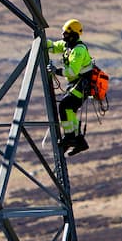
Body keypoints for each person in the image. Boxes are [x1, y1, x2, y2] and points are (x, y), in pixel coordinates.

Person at [48, 18, 93, 156]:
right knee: (70, 110)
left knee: (65, 106)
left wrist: (56, 71)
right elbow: (54, 46)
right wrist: (41, 42)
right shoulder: (68, 45)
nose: (63, 36)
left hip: (82, 84)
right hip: (76, 84)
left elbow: (73, 71)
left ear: (73, 35)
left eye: (66, 34)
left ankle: (70, 137)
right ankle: (78, 140)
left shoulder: (78, 50)